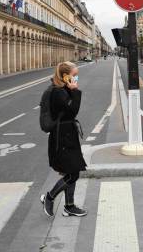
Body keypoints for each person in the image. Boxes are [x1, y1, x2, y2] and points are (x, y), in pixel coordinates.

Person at [40, 61, 87, 217]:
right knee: (73, 173)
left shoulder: (62, 89)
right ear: (65, 76)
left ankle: (69, 206)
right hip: (63, 136)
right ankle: (50, 197)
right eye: (74, 75)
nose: (76, 78)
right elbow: (73, 111)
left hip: (67, 134)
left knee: (72, 170)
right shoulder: (58, 92)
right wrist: (75, 91)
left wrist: (71, 90)